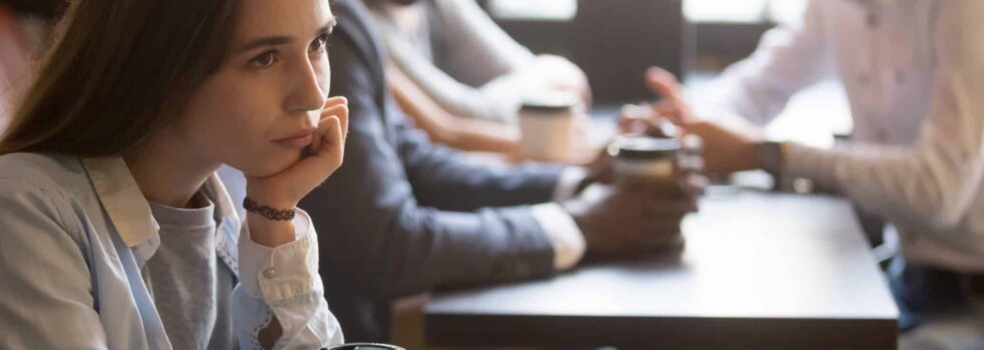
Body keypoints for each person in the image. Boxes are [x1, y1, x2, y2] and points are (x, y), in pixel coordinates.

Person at [0, 0, 348, 348]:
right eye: (265, 58)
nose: (311, 93)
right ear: (159, 67)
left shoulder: (232, 192)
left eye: (319, 42)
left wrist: (274, 213)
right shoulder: (14, 215)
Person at [299, 0, 701, 341]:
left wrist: (582, 182)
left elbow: (420, 164)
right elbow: (388, 246)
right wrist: (581, 225)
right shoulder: (328, 22)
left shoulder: (348, 20)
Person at [639, 0, 984, 348]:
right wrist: (689, 124)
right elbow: (758, 86)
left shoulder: (969, 9)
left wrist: (771, 154)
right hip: (904, 280)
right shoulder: (834, 7)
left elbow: (940, 192)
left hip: (977, 298)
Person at [364, 0, 594, 157]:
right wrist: (546, 128)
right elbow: (446, 129)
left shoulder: (433, 6)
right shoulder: (354, 22)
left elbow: (565, 78)